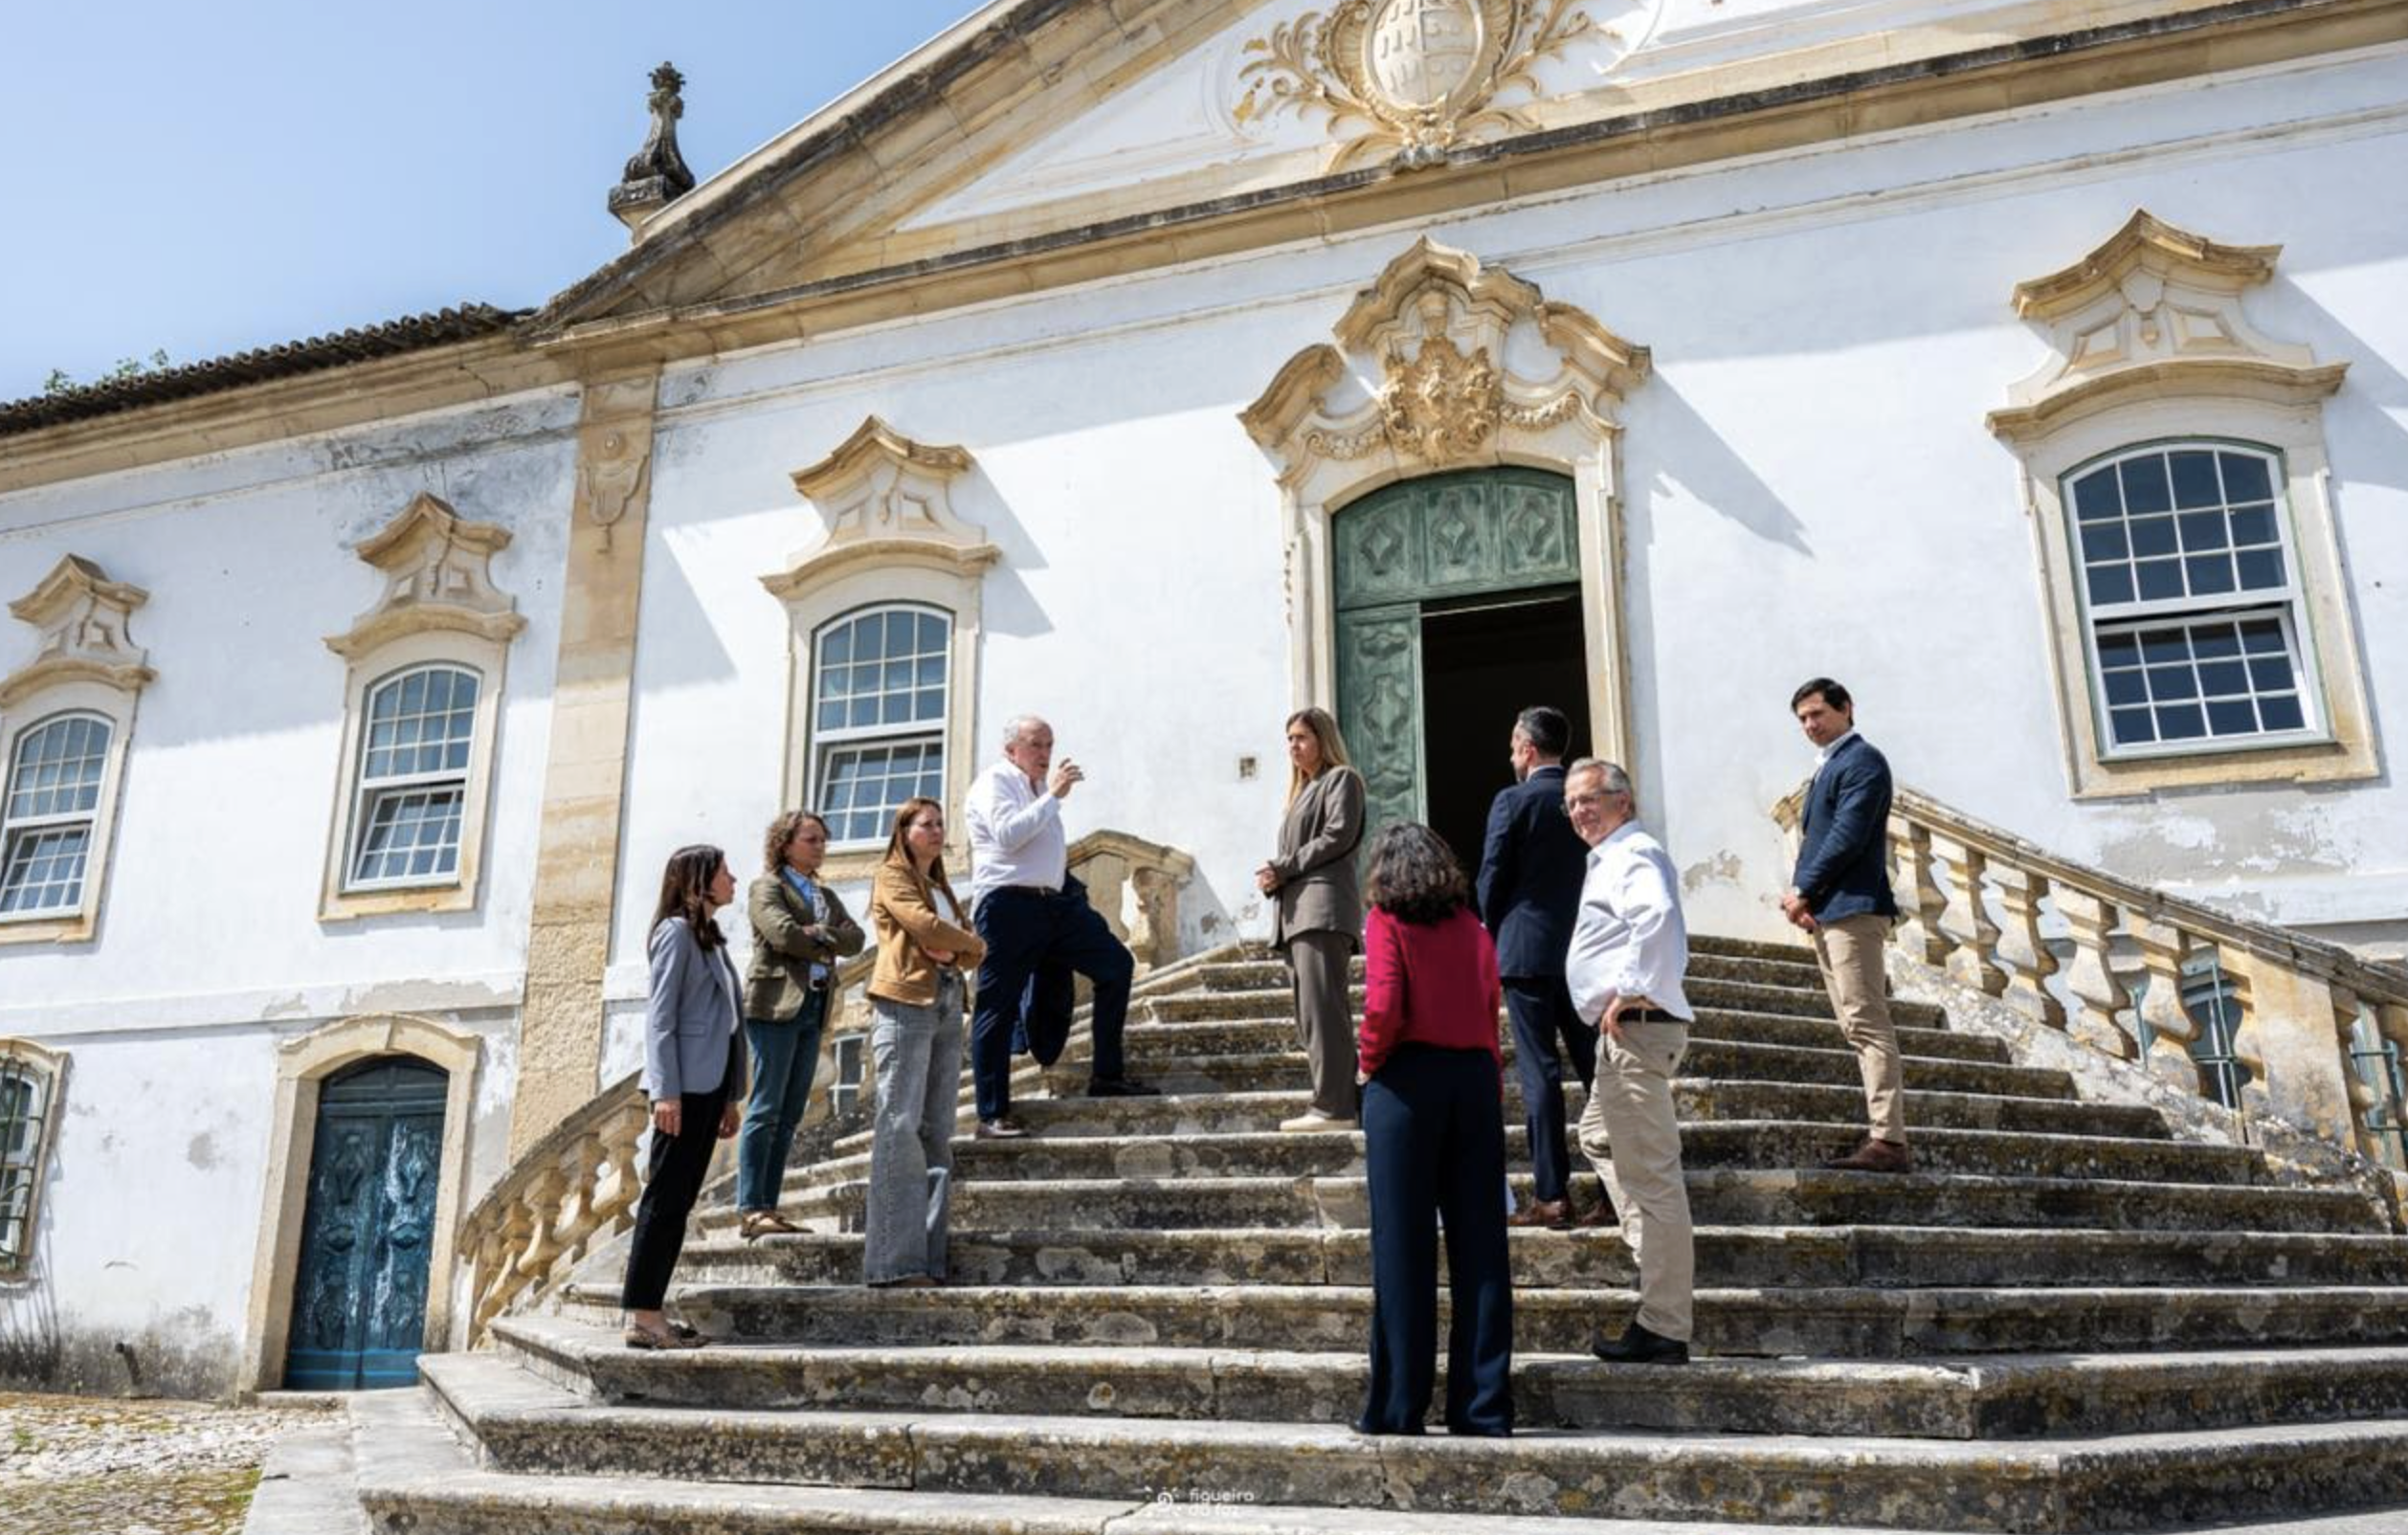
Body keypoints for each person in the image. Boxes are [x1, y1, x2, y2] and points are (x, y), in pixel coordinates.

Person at [1352, 821, 1514, 1436]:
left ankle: (1398, 1406)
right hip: (1474, 1080)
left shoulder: (1386, 921)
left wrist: (1369, 1061)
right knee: (1482, 1249)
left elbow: (1384, 1002)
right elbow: (1488, 1005)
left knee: (1403, 1246)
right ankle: (1483, 1406)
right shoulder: (1473, 927)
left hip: (1408, 1082)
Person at [964, 716, 1156, 1140]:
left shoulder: (1035, 789)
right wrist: (1053, 795)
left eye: (1049, 744)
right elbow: (1008, 836)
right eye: (1035, 744)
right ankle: (992, 1113)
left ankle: (1106, 1074)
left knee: (1116, 966)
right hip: (1008, 906)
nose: (1045, 753)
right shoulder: (994, 783)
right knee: (996, 1005)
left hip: (1056, 906)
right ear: (1011, 749)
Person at [1564, 760, 1696, 1366]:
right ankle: (1653, 1254)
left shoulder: (1632, 852)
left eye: (1590, 799)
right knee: (1597, 1137)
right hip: (1623, 1035)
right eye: (1571, 803)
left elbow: (1658, 916)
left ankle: (1664, 1323)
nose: (1578, 811)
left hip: (1637, 1031)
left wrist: (1634, 986)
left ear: (1623, 799)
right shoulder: (1613, 855)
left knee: (1653, 1180)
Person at [1476, 704, 1609, 1230]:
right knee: (1598, 1073)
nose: (1511, 755)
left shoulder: (1513, 801)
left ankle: (1553, 1196)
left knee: (1540, 1074)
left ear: (1527, 747)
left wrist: (1494, 928)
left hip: (1527, 953)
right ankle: (1613, 1193)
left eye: (1513, 745)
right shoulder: (1585, 801)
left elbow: (1491, 878)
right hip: (1585, 950)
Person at [621, 844, 748, 1349]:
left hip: (709, 1085)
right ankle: (644, 1317)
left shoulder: (710, 937)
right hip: (683, 1088)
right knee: (663, 1201)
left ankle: (649, 1312)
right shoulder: (675, 933)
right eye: (724, 872)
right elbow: (661, 1018)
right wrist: (664, 1092)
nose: (733, 879)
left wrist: (730, 1096)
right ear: (699, 881)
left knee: (678, 1202)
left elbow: (727, 1021)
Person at [1782, 678, 1910, 1173]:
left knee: (1867, 1022)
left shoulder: (1862, 761)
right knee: (1854, 1024)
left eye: (1817, 714)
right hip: (1830, 910)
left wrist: (1803, 890)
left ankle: (1889, 1140)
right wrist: (1803, 897)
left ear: (1846, 709)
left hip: (1852, 909)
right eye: (1803, 719)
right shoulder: (1831, 766)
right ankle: (1884, 1134)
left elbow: (1846, 837)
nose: (1810, 725)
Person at [863, 796, 986, 1287]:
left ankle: (927, 1261)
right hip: (905, 1002)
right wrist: (969, 944)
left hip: (947, 999)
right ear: (904, 831)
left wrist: (958, 950)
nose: (936, 831)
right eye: (925, 824)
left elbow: (956, 941)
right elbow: (927, 927)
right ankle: (894, 1263)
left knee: (938, 1133)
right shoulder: (892, 875)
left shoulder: (941, 885)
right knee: (899, 1125)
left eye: (940, 823)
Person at [736, 810, 864, 1241]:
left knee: (790, 1113)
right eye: (811, 839)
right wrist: (827, 938)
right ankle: (752, 1208)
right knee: (766, 1107)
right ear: (785, 844)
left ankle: (769, 1206)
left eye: (823, 839)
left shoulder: (823, 894)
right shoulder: (767, 887)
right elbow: (783, 935)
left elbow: (857, 939)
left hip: (814, 1006)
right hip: (776, 1005)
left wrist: (820, 933)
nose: (820, 846)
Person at [1256, 706, 1367, 1132]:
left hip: (1322, 909)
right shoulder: (1303, 792)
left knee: (1324, 1009)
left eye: (1301, 737)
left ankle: (1334, 1107)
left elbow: (1338, 836)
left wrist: (1284, 867)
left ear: (1323, 738)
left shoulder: (1342, 780)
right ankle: (1334, 1099)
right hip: (1297, 913)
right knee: (1309, 1012)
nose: (1293, 746)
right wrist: (1275, 878)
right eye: (1289, 739)